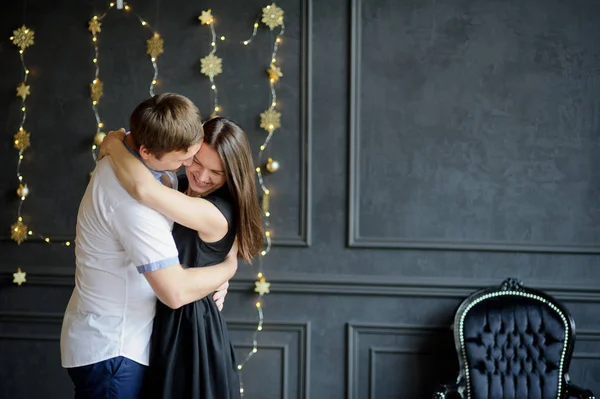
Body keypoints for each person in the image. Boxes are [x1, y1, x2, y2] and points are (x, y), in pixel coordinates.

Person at [60, 94, 235, 399]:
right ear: (146, 151)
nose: (189, 168)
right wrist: (227, 268)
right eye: (187, 158)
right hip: (114, 348)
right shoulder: (133, 200)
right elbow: (175, 291)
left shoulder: (153, 169)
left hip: (121, 341)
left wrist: (115, 143)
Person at [99, 116, 264, 399]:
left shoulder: (215, 211)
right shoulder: (181, 181)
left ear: (232, 175)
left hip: (189, 330)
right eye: (197, 161)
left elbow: (143, 190)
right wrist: (226, 268)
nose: (201, 175)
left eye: (217, 171)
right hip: (159, 318)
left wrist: (114, 144)